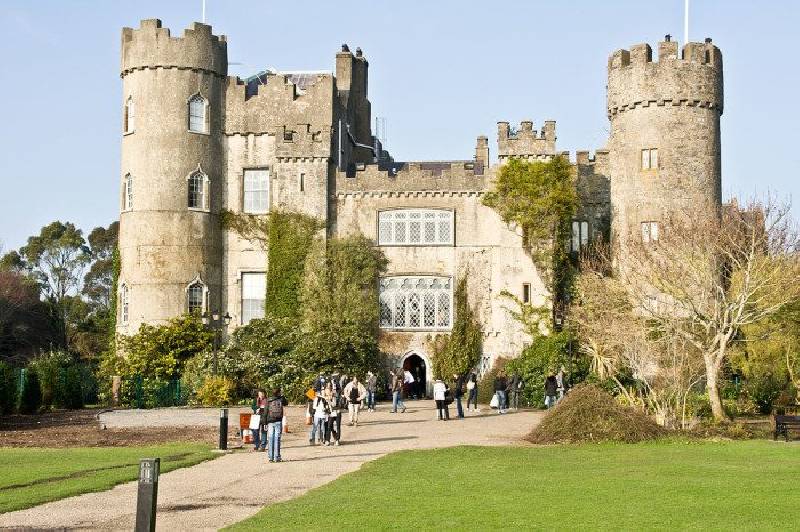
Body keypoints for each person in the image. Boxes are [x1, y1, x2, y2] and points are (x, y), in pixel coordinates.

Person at [264, 388, 288, 463]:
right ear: (279, 393)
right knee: (277, 439)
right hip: (278, 421)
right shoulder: (280, 399)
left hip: (270, 421)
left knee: (270, 439)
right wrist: (283, 396)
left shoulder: (268, 400)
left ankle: (270, 458)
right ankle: (277, 457)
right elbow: (286, 403)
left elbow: (265, 412)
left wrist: (264, 423)